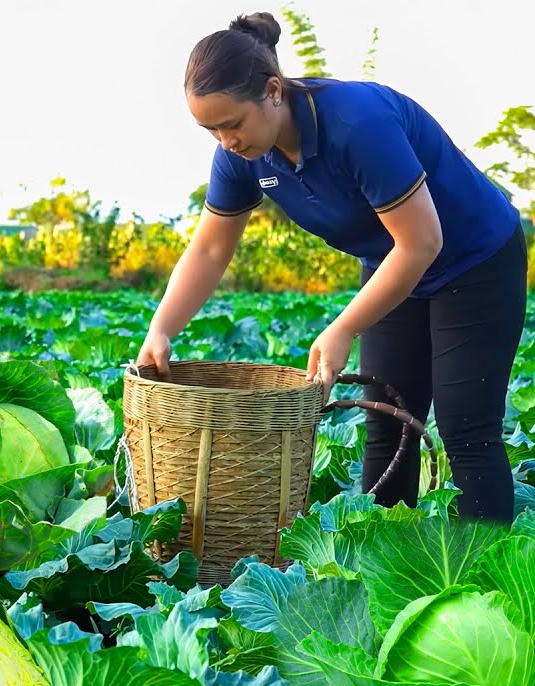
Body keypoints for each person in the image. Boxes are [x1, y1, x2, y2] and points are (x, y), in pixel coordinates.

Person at [134, 11, 527, 523]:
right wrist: (162, 327)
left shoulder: (356, 123)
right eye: (210, 130)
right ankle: (387, 575)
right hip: (394, 264)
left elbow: (423, 241)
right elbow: (209, 249)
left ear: (273, 91)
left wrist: (342, 328)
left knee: (465, 428)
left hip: (474, 259)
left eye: (232, 124)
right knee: (391, 425)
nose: (225, 141)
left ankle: (493, 582)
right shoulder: (240, 156)